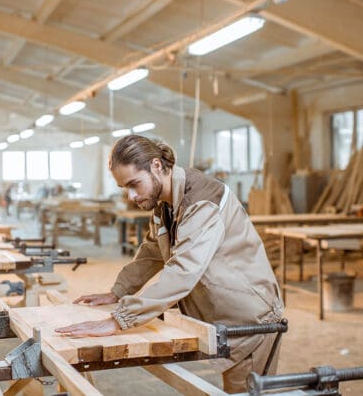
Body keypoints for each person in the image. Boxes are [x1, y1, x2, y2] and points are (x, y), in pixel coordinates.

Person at [56, 135, 283, 392]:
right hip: (222, 310)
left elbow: (183, 271)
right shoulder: (164, 202)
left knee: (243, 391)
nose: (130, 196)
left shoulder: (201, 202)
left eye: (134, 184)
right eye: (124, 188)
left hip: (250, 316)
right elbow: (152, 251)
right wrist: (118, 291)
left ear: (156, 166)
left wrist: (121, 318)